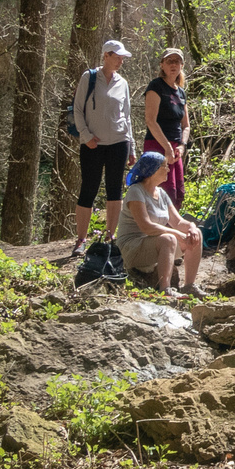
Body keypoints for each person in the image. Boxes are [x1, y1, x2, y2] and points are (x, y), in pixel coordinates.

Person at [69, 39, 134, 257]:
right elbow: (78, 110)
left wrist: (131, 147)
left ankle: (109, 238)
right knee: (89, 189)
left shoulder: (122, 83)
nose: (120, 61)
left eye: (122, 57)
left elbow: (127, 116)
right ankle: (81, 240)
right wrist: (86, 136)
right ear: (106, 55)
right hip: (92, 145)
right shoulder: (89, 78)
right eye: (117, 57)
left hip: (119, 143)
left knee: (114, 190)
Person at [116, 150, 202, 297]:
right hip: (131, 247)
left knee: (196, 234)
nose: (168, 169)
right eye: (164, 166)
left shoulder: (161, 193)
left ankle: (189, 285)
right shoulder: (136, 191)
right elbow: (147, 227)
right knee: (168, 238)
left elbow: (177, 221)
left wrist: (192, 227)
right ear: (153, 169)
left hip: (153, 244)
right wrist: (177, 234)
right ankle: (165, 290)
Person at [141, 47, 190, 206]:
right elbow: (150, 120)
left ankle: (174, 229)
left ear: (182, 65)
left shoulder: (181, 92)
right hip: (157, 146)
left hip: (175, 149)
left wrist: (182, 146)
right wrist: (167, 147)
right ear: (162, 65)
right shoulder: (156, 87)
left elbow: (186, 125)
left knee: (176, 194)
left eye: (177, 61)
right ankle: (156, 229)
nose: (173, 65)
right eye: (169, 61)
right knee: (160, 192)